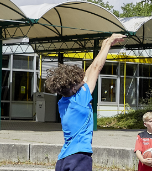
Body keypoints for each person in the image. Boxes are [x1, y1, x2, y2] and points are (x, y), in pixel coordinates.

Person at [46, 34, 125, 171]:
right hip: (79, 158)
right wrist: (108, 42)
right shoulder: (80, 100)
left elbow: (88, 73)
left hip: (64, 159)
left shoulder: (63, 102)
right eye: (79, 82)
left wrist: (105, 46)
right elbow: (96, 68)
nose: (83, 82)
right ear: (73, 88)